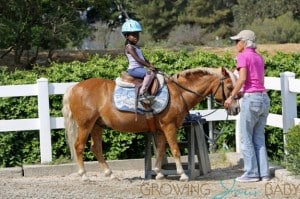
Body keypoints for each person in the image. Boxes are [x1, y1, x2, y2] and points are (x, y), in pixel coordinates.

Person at [224, 30, 271, 182]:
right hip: (264, 98)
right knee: (258, 138)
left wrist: (231, 96)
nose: (235, 44)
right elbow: (259, 81)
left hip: (252, 100)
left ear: (244, 42)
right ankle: (264, 174)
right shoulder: (259, 57)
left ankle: (251, 173)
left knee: (246, 138)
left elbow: (242, 78)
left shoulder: (243, 56)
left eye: (237, 41)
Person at [121, 19, 156, 102]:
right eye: (133, 35)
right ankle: (142, 94)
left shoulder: (137, 47)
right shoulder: (129, 47)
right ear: (126, 36)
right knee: (149, 74)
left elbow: (144, 59)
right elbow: (138, 59)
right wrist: (148, 67)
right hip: (133, 69)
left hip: (139, 69)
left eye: (137, 35)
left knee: (155, 73)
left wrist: (151, 65)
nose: (136, 37)